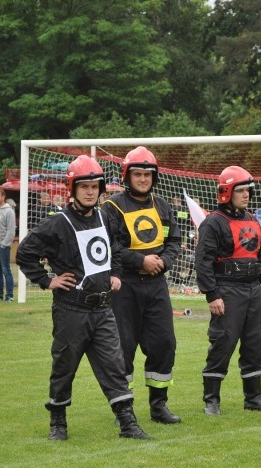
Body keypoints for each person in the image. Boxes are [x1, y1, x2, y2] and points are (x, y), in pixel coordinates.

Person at [16, 154, 151, 441]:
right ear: (72, 188)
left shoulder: (104, 216)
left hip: (103, 310)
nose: (90, 192)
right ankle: (58, 423)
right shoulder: (57, 223)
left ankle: (128, 424)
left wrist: (115, 273)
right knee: (64, 367)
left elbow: (114, 247)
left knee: (114, 366)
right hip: (71, 311)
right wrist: (47, 280)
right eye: (84, 186)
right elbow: (25, 253)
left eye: (94, 186)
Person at [102, 146, 182, 425]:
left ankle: (159, 406)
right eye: (138, 174)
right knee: (122, 348)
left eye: (148, 174)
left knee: (164, 343)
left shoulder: (162, 205)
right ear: (127, 175)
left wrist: (163, 262)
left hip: (157, 284)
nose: (143, 179)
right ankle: (124, 408)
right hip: (124, 286)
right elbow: (109, 247)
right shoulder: (111, 207)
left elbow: (174, 241)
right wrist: (139, 261)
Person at [195, 165, 261, 415]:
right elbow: (203, 261)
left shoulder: (252, 219)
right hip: (227, 290)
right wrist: (212, 294)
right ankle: (211, 400)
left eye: (248, 190)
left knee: (255, 344)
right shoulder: (213, 223)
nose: (246, 195)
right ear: (226, 192)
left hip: (252, 290)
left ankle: (253, 398)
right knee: (223, 342)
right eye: (240, 190)